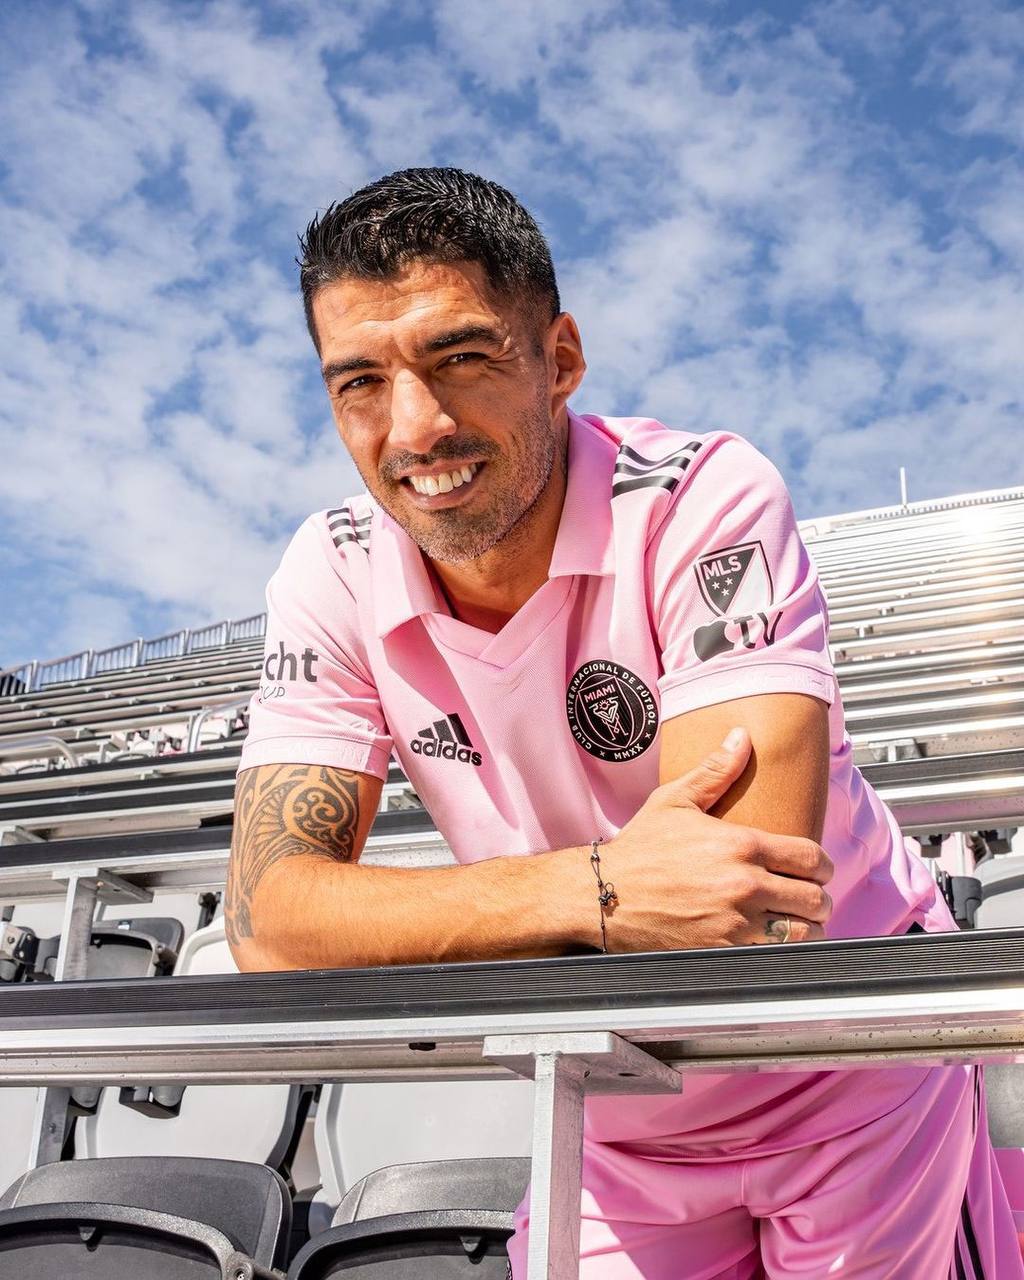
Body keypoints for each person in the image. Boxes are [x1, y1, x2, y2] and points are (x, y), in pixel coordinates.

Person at [226, 167, 1021, 1278]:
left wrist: (425, 917)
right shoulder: (333, 566)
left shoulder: (703, 493)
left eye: (461, 358)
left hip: (848, 1065)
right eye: (360, 380)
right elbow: (270, 920)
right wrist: (595, 888)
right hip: (613, 1102)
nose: (415, 427)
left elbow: (745, 915)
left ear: (558, 359)